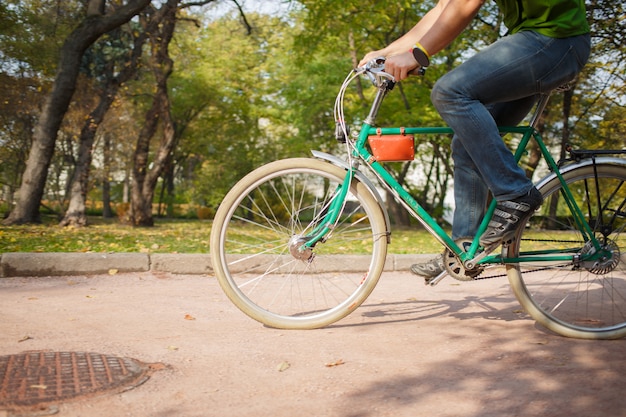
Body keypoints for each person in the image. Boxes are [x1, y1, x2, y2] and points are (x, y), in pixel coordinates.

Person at [359, 0, 591, 281]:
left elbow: (465, 4)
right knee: (466, 141)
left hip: (555, 40)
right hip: (534, 40)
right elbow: (443, 9)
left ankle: (516, 192)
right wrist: (387, 52)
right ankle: (465, 245)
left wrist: (418, 54)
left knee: (449, 92)